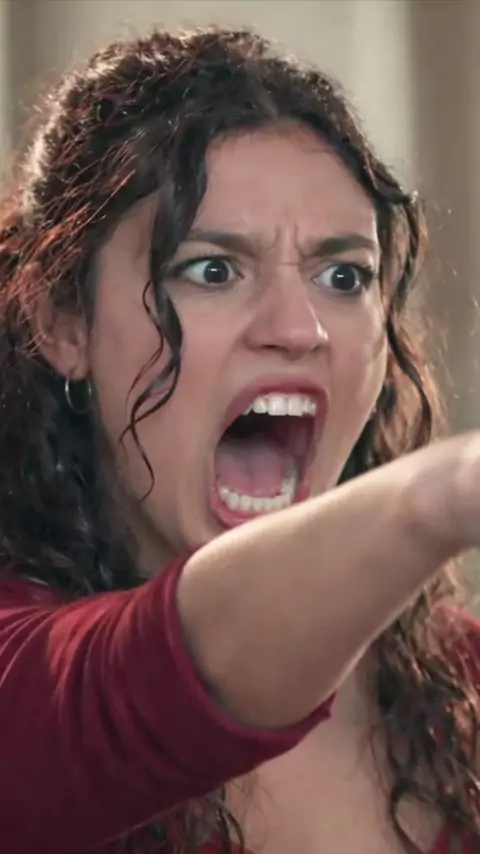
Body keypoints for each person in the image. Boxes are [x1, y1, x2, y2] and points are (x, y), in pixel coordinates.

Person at [0, 23, 478, 854]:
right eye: (212, 270)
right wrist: (445, 493)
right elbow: (138, 685)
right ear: (63, 321)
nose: (299, 329)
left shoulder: (462, 683)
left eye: (344, 276)